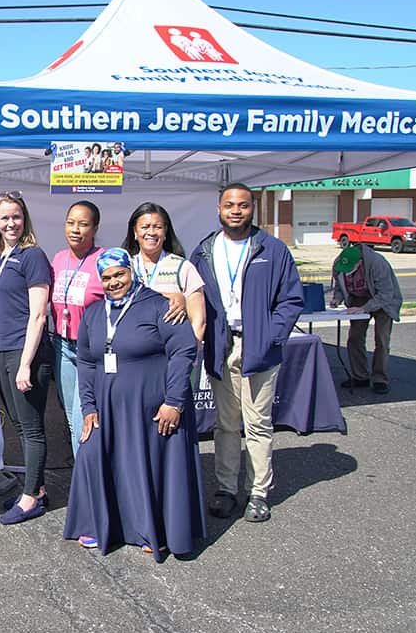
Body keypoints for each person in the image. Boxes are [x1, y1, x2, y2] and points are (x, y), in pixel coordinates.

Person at [63, 248, 205, 559]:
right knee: (91, 452)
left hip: (153, 407)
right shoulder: (94, 313)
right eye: (107, 277)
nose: (114, 282)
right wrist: (88, 406)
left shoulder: (160, 306)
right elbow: (86, 361)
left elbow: (183, 351)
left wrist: (174, 402)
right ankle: (101, 524)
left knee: (147, 465)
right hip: (107, 407)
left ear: (131, 271)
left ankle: (150, 530)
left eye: (119, 274)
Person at [189, 183, 303, 523]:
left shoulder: (273, 249)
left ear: (253, 209)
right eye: (229, 205)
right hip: (221, 346)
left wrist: (272, 336)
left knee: (258, 424)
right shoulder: (205, 250)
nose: (236, 210)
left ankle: (258, 493)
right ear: (219, 209)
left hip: (259, 348)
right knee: (225, 424)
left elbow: (291, 299)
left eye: (242, 205)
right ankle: (226, 488)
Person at [0, 191, 54, 525]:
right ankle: (36, 487)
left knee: (30, 428)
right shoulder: (2, 256)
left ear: (24, 218)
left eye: (16, 216)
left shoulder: (32, 256)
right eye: (4, 217)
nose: (10, 222)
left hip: (25, 351)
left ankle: (30, 499)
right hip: (4, 351)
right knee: (17, 422)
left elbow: (39, 315)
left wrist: (26, 362)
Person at [49, 201, 104, 456]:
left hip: (91, 351)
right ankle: (83, 478)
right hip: (62, 346)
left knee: (85, 415)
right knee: (72, 417)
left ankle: (89, 483)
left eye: (83, 224)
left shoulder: (103, 260)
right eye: (71, 222)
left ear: (94, 228)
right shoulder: (58, 259)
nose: (75, 229)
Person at [121, 202, 206, 341]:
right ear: (135, 232)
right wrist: (171, 296)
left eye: (158, 227)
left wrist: (191, 356)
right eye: (145, 227)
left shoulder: (183, 267)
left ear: (165, 232)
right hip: (132, 352)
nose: (151, 232)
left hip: (171, 351)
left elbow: (199, 321)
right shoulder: (124, 268)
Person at [330, 243, 402, 394]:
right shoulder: (339, 264)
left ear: (360, 262)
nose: (347, 273)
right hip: (358, 298)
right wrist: (337, 298)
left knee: (381, 340)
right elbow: (339, 286)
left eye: (350, 269)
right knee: (354, 338)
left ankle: (379, 379)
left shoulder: (377, 263)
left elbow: (386, 294)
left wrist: (365, 308)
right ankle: (360, 376)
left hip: (383, 300)